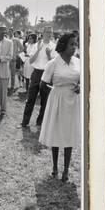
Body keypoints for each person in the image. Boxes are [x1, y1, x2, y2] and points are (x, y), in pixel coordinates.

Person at [38, 33, 80, 182]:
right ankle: (55, 166)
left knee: (69, 134)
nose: (74, 47)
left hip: (73, 101)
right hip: (57, 101)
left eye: (76, 44)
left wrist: (79, 87)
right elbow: (43, 85)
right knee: (56, 133)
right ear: (63, 46)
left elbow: (82, 81)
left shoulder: (78, 62)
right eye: (71, 44)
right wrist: (55, 95)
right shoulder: (53, 63)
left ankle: (66, 170)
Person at [19, 27, 55, 128]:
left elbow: (53, 64)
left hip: (47, 74)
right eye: (47, 32)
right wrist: (38, 50)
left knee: (45, 100)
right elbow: (30, 61)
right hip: (36, 73)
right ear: (43, 33)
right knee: (31, 99)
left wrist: (48, 55)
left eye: (50, 32)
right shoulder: (36, 45)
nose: (49, 34)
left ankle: (40, 123)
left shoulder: (54, 46)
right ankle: (24, 122)